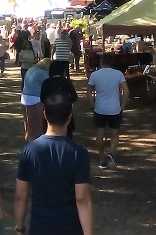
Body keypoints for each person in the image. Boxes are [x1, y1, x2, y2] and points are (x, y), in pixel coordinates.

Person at [14, 92, 93, 235]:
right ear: (70, 117)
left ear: (45, 115)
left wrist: (20, 228)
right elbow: (82, 199)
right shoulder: (79, 153)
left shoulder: (29, 151)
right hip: (70, 227)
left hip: (39, 226)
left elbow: (21, 194)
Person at [87, 64, 129, 169]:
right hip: (114, 108)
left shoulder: (94, 75)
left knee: (100, 133)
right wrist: (122, 106)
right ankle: (111, 152)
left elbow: (88, 92)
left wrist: (92, 105)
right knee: (114, 134)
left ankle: (101, 159)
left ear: (101, 63)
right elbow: (126, 91)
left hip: (99, 108)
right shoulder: (118, 74)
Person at [41, 63, 78, 139]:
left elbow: (42, 98)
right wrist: (67, 101)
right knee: (67, 135)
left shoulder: (46, 82)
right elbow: (74, 97)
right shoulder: (67, 82)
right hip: (65, 111)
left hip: (50, 112)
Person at [21, 59, 52, 142]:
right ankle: (39, 139)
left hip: (24, 97)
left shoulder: (30, 69)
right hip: (36, 98)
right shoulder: (42, 73)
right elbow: (49, 85)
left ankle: (28, 135)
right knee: (39, 122)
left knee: (28, 120)